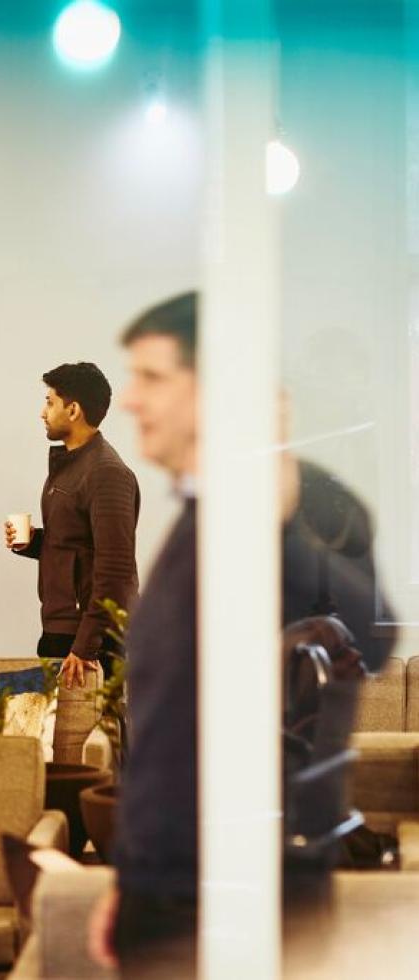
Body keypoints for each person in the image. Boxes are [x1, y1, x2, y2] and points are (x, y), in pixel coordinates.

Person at [87, 292, 395, 978]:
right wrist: (130, 880)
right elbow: (170, 730)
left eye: (152, 378)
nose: (130, 400)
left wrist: (279, 523)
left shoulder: (307, 500)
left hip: (246, 904)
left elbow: (369, 639)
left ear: (216, 387)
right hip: (167, 898)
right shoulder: (192, 517)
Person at [4, 362, 140, 687]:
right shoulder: (70, 466)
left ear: (74, 409)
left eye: (50, 402)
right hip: (61, 629)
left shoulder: (106, 473)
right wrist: (32, 542)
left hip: (87, 640)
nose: (43, 412)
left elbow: (116, 567)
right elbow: (74, 543)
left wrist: (85, 646)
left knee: (91, 734)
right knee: (57, 735)